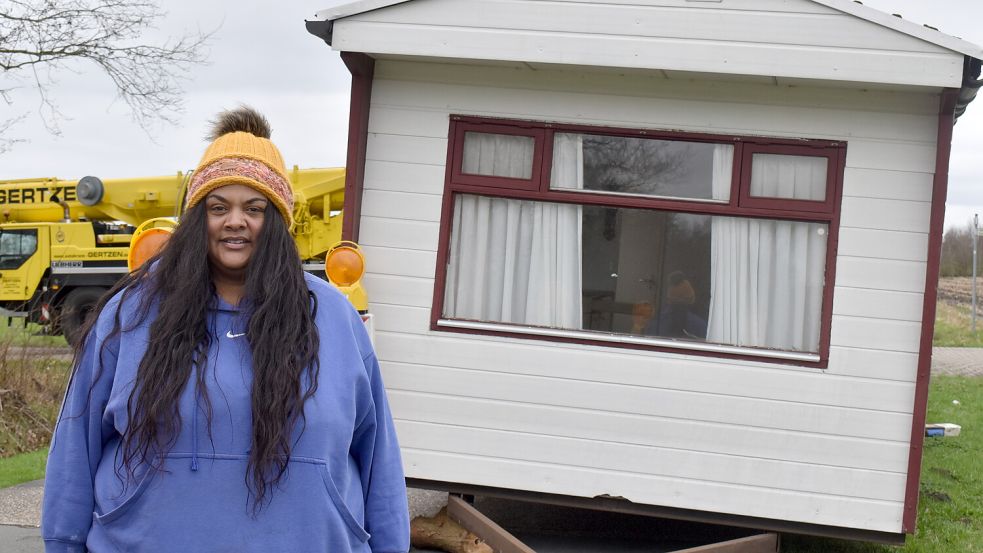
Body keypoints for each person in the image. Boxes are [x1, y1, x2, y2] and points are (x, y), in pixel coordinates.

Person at [41, 107, 410, 553]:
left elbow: (378, 459)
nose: (235, 221)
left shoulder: (333, 317)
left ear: (276, 222)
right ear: (199, 219)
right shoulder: (132, 312)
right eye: (219, 207)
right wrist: (63, 542)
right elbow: (74, 449)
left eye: (254, 208)